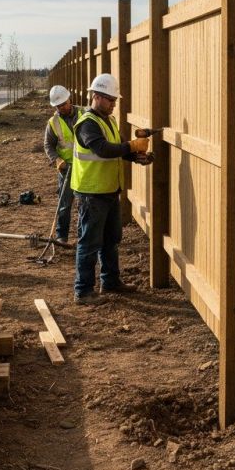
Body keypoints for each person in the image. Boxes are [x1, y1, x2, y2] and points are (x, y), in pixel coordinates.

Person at [71, 74, 152, 305]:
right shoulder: (87, 123)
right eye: (110, 100)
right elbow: (103, 149)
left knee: (111, 239)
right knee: (89, 242)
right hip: (91, 193)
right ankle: (83, 291)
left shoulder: (109, 120)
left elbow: (119, 149)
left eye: (115, 100)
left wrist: (137, 157)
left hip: (109, 190)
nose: (113, 104)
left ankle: (110, 281)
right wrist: (131, 146)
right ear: (96, 96)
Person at [44, 84, 82, 244]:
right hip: (66, 169)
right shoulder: (53, 122)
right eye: (58, 106)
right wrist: (57, 160)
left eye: (64, 104)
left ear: (69, 99)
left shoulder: (85, 114)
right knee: (64, 204)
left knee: (83, 204)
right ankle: (61, 236)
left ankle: (82, 237)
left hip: (85, 168)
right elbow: (48, 145)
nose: (62, 108)